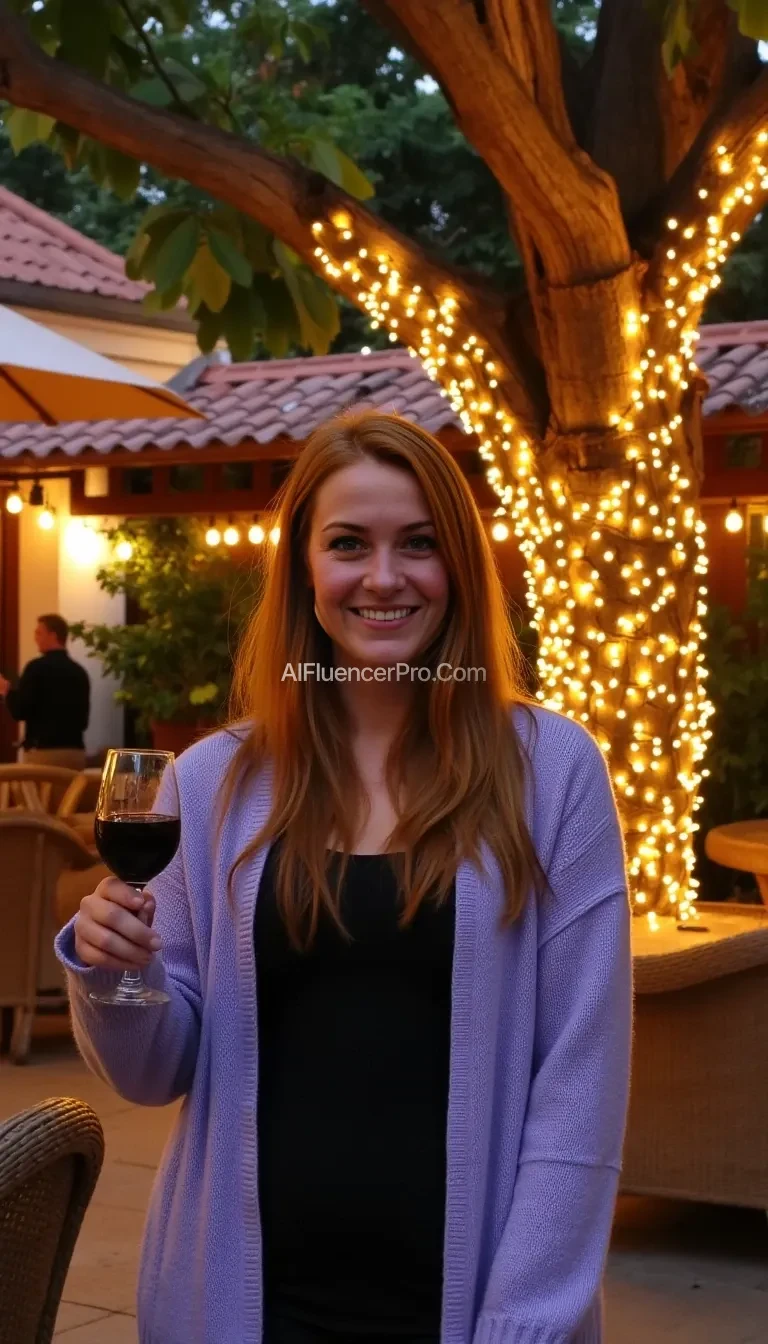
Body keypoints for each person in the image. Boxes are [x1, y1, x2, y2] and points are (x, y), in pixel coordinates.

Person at [55, 410, 632, 1344]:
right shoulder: (212, 781)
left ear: (459, 569)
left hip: (468, 1310)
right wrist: (117, 970)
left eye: (419, 544)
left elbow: (580, 1084)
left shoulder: (552, 772)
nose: (384, 577)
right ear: (305, 572)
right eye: (349, 544)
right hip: (241, 1305)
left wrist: (525, 1320)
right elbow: (155, 1070)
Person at [0, 613, 90, 769]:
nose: (35, 638)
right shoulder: (79, 672)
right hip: (75, 754)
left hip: (44, 755)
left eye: (39, 633)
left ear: (52, 635)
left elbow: (20, 711)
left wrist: (6, 691)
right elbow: (83, 721)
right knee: (71, 795)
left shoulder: (36, 668)